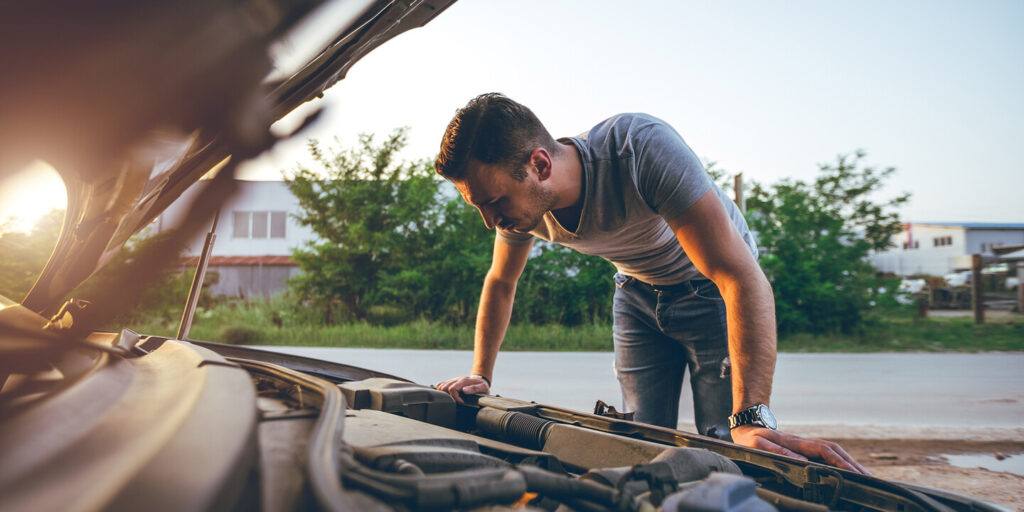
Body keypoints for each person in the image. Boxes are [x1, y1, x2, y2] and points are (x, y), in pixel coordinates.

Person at [434, 93, 867, 474]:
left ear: (540, 165)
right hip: (636, 295)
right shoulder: (518, 207)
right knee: (642, 444)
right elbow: (501, 282)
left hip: (711, 290)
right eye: (479, 206)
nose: (490, 221)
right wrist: (480, 375)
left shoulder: (639, 148)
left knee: (727, 444)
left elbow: (740, 276)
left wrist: (752, 417)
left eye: (493, 202)